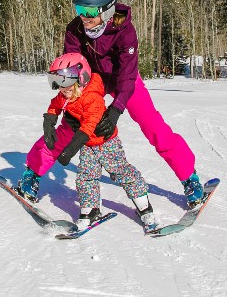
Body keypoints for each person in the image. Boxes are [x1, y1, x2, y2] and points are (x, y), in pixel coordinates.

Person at [19, 0, 206, 207]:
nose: (83, 17)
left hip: (122, 79)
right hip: (91, 79)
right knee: (70, 127)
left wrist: (116, 109)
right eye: (79, 9)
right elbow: (73, 67)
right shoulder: (75, 29)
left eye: (89, 11)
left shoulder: (124, 30)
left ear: (107, 10)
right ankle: (33, 172)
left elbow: (128, 74)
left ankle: (189, 177)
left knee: (152, 125)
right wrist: (71, 108)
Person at [19, 52, 159, 230]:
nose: (61, 88)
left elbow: (87, 128)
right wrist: (49, 124)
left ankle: (144, 206)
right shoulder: (66, 94)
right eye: (56, 81)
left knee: (122, 172)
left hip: (106, 143)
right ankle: (90, 209)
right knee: (86, 178)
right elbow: (54, 105)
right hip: (88, 147)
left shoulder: (92, 98)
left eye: (65, 82)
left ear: (81, 77)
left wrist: (68, 152)